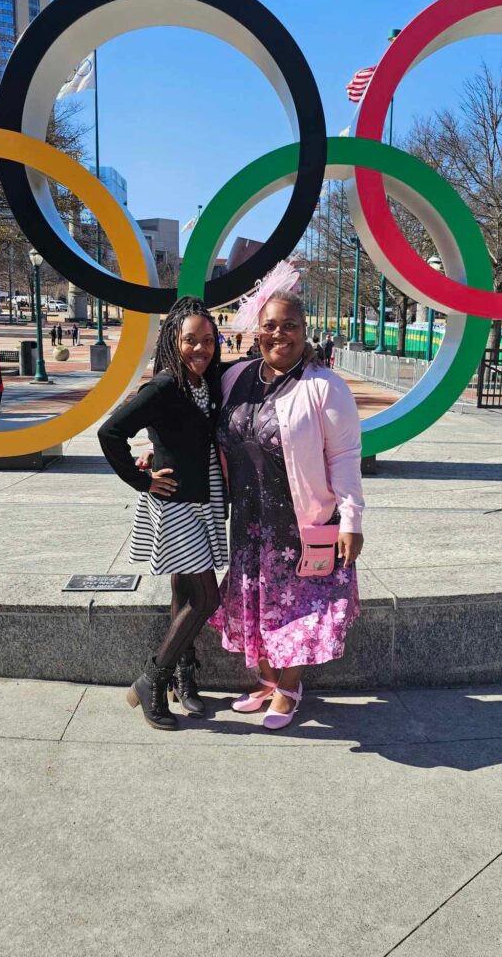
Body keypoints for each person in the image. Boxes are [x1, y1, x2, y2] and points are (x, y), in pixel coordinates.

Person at [210, 273, 364, 732]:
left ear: (304, 328)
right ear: (257, 329)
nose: (281, 334)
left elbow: (344, 456)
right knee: (256, 605)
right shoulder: (235, 377)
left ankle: (290, 687)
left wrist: (352, 519)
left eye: (291, 325)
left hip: (301, 525)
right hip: (248, 522)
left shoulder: (324, 386)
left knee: (298, 610)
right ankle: (267, 680)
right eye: (272, 325)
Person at [98, 296, 228, 730]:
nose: (200, 348)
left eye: (208, 340)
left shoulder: (207, 382)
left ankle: (181, 675)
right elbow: (111, 431)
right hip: (174, 505)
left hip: (202, 499)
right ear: (174, 340)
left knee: (184, 592)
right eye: (190, 340)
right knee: (207, 597)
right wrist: (143, 480)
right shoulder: (166, 385)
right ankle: (152, 680)